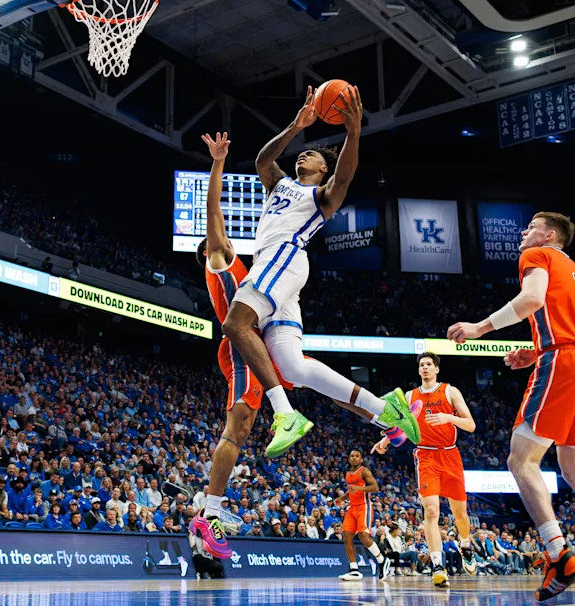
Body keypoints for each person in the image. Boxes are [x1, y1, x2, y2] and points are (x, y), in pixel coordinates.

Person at [189, 132, 403, 559]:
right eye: (222, 245)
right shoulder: (221, 263)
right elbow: (213, 212)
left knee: (307, 373)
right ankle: (207, 514)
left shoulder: (262, 269)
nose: (228, 244)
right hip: (243, 349)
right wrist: (217, 164)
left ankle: (385, 418)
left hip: (264, 341)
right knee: (242, 424)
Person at [447, 212, 575, 602]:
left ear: (549, 235)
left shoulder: (536, 256)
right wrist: (536, 351)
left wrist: (479, 328)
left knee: (520, 461)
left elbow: (533, 298)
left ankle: (558, 555)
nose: (524, 233)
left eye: (531, 227)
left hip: (565, 363)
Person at [221, 87, 420, 457]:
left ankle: (285, 414)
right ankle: (384, 408)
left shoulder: (323, 195)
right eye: (303, 152)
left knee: (235, 324)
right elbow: (263, 161)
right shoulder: (280, 184)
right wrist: (297, 125)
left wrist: (354, 133)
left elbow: (344, 178)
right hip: (275, 267)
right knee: (293, 368)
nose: (304, 155)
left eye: (312, 155)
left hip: (283, 258)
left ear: (323, 169)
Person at [372, 352, 478, 586]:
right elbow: (399, 425)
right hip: (425, 455)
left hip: (450, 454)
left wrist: (448, 418)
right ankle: (438, 566)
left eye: (429, 364)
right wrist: (385, 441)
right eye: (422, 365)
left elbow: (470, 425)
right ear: (418, 370)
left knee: (460, 514)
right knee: (430, 512)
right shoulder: (411, 396)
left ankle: (465, 543)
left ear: (437, 369)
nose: (425, 368)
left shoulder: (450, 391)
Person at [335, 450, 390, 581]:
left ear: (361, 459)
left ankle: (382, 560)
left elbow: (375, 487)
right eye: (351, 456)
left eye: (357, 456)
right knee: (346, 537)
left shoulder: (364, 471)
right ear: (349, 459)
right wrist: (342, 498)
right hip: (352, 508)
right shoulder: (348, 474)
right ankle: (354, 570)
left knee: (363, 536)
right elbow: (351, 490)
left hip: (364, 507)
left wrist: (358, 489)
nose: (354, 458)